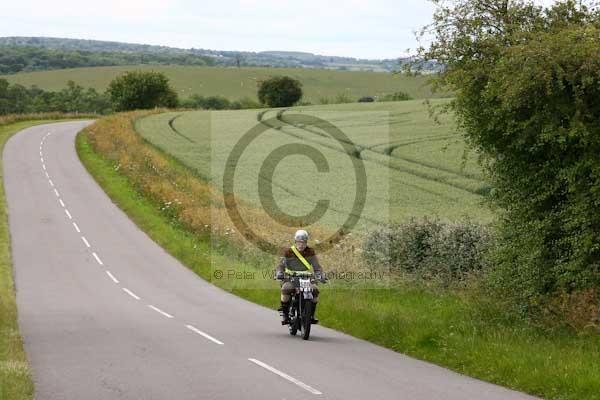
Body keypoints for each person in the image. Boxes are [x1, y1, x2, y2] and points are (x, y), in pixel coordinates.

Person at [275, 229, 326, 325]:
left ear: (306, 242)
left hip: (307, 278)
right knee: (286, 288)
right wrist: (279, 273)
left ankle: (311, 315)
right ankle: (285, 314)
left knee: (315, 290)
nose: (301, 245)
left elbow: (316, 266)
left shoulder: (310, 252)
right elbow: (281, 265)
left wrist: (320, 275)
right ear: (295, 241)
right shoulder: (288, 252)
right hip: (290, 277)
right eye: (299, 242)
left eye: (303, 242)